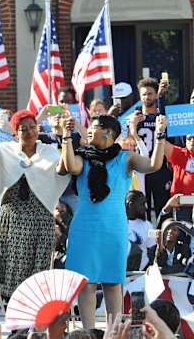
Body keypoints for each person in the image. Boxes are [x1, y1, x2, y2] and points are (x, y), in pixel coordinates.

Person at [60, 113, 166, 329]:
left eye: (94, 126)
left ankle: (114, 331)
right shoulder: (84, 156)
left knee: (112, 283)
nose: (89, 129)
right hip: (84, 229)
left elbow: (154, 165)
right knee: (86, 285)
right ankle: (89, 332)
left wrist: (161, 134)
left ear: (108, 133)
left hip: (114, 229)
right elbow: (71, 166)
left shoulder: (126, 158)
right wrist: (65, 135)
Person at [0, 110, 70, 299]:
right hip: (12, 220)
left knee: (39, 274)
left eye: (32, 127)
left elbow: (63, 171)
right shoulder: (4, 150)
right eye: (23, 129)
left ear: (38, 127)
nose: (29, 132)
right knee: (14, 271)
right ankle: (18, 321)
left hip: (41, 219)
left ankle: (37, 322)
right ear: (16, 132)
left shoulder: (49, 151)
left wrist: (66, 136)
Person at [134, 77, 172, 221]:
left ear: (155, 95)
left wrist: (162, 96)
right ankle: (145, 243)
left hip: (160, 169)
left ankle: (162, 241)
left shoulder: (161, 117)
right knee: (140, 209)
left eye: (150, 93)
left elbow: (164, 113)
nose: (146, 97)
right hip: (141, 169)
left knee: (163, 208)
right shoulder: (135, 117)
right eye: (143, 94)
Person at [159, 131, 194, 223]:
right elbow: (163, 144)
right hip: (181, 205)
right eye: (189, 138)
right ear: (185, 141)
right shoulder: (179, 153)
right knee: (181, 236)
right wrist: (160, 130)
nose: (192, 140)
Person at [126, 190, 156, 271]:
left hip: (141, 277)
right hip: (122, 276)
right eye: (142, 204)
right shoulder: (119, 224)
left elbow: (152, 251)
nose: (146, 207)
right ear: (131, 205)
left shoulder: (148, 225)